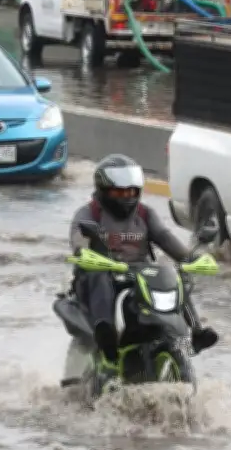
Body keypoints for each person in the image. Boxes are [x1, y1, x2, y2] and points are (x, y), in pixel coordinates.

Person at [69, 154, 218, 366]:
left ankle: (195, 332)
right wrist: (84, 252)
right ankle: (106, 334)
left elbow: (166, 238)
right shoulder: (88, 214)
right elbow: (78, 241)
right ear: (103, 190)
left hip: (138, 273)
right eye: (119, 192)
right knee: (99, 276)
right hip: (101, 271)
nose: (125, 197)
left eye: (131, 191)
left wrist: (191, 258)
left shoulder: (145, 214)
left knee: (174, 276)